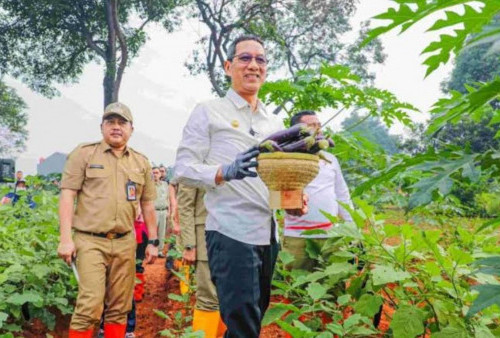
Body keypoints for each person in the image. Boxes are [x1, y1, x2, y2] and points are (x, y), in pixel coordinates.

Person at [174, 34, 307, 337]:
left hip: (267, 235)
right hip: (231, 232)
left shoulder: (273, 123)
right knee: (244, 324)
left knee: (253, 321)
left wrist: (293, 201)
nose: (253, 65)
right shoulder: (208, 111)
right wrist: (223, 172)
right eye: (245, 58)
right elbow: (182, 168)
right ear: (228, 65)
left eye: (260, 59)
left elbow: (275, 180)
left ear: (266, 69)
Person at [57, 102, 159, 337]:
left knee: (120, 307)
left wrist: (153, 241)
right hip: (90, 240)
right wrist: (65, 239)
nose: (116, 127)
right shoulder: (83, 154)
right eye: (110, 122)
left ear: (131, 129)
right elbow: (67, 195)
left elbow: (148, 203)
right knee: (90, 305)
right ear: (101, 127)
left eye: (122, 123)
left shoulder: (140, 162)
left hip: (125, 241)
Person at [283, 111, 353, 271]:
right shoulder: (286, 159)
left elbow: (342, 194)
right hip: (297, 237)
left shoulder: (331, 160)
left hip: (331, 236)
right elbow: (279, 193)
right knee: (298, 289)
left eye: (319, 126)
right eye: (311, 126)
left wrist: (351, 225)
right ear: (296, 132)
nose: (318, 130)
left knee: (334, 288)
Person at [177, 183, 226, 337]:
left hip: (237, 234)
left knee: (229, 295)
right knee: (209, 295)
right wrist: (189, 244)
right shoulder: (195, 160)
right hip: (205, 235)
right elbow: (185, 205)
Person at [152, 166, 170, 257]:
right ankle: (151, 249)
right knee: (152, 232)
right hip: (153, 211)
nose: (155, 175)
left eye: (157, 173)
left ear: (160, 174)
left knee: (162, 232)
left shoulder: (165, 184)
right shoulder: (149, 185)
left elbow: (168, 198)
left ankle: (160, 251)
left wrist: (169, 211)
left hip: (163, 211)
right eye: (153, 173)